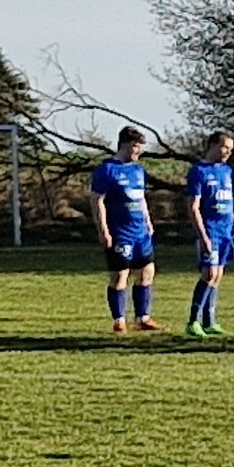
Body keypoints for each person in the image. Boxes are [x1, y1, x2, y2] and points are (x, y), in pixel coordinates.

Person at [89, 126, 158, 333]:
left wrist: (148, 221)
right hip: (121, 232)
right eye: (137, 147)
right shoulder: (107, 170)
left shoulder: (138, 170)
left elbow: (141, 197)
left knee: (147, 271)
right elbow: (96, 200)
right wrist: (104, 230)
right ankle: (119, 320)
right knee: (120, 275)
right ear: (126, 145)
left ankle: (142, 318)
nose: (139, 152)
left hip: (141, 232)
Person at [183, 130, 234, 338]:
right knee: (209, 274)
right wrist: (203, 236)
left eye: (231, 149)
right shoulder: (199, 171)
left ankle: (210, 321)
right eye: (225, 147)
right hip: (210, 231)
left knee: (218, 275)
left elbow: (227, 199)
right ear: (213, 145)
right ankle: (193, 321)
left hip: (225, 232)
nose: (227, 153)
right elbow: (193, 207)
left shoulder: (226, 171)